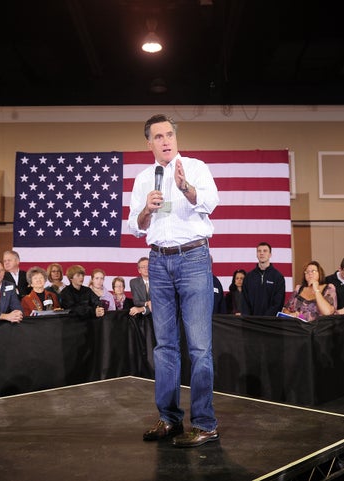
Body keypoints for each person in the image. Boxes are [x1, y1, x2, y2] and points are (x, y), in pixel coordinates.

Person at [128, 113, 220, 448]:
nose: (166, 141)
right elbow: (134, 226)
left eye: (170, 135)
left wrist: (186, 188)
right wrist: (147, 211)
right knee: (165, 346)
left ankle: (205, 423)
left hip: (194, 258)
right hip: (158, 262)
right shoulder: (143, 179)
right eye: (158, 137)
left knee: (199, 346)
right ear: (149, 143)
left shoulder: (195, 167)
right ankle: (169, 419)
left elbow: (211, 202)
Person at [242, 242, 286, 316]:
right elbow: (244, 301)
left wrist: (266, 319)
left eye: (265, 251)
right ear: (256, 254)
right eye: (259, 251)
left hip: (270, 323)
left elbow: (278, 302)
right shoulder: (249, 277)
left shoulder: (278, 277)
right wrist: (249, 319)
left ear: (270, 254)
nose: (261, 253)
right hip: (251, 322)